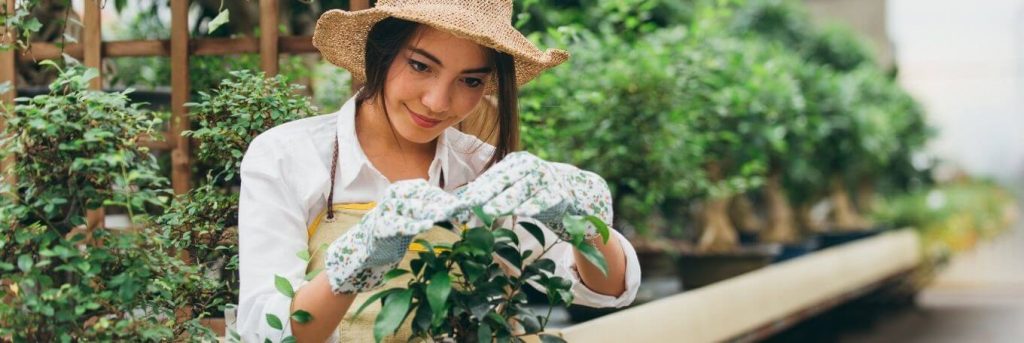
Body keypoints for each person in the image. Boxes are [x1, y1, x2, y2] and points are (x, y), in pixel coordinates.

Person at [237, 0, 641, 341]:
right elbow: (264, 327)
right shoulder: (289, 156)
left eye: (469, 80)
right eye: (420, 66)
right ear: (382, 51)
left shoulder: (484, 170)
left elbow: (607, 291)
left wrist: (584, 224)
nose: (437, 101)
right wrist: (352, 265)